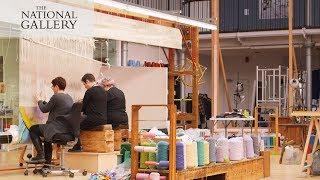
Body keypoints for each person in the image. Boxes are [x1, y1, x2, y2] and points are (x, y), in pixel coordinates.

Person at [29, 77, 73, 164]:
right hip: (66, 130)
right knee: (47, 132)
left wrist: (39, 100)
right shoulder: (69, 98)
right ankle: (47, 163)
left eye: (52, 86)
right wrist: (44, 102)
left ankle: (40, 155)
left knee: (33, 129)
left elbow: (44, 109)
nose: (52, 88)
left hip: (55, 129)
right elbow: (52, 106)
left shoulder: (56, 97)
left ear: (56, 86)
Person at [68, 73, 108, 152]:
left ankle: (78, 145)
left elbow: (83, 108)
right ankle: (78, 144)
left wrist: (77, 106)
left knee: (75, 124)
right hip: (103, 119)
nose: (84, 86)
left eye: (84, 84)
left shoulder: (90, 91)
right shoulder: (103, 90)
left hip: (93, 119)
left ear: (87, 81)